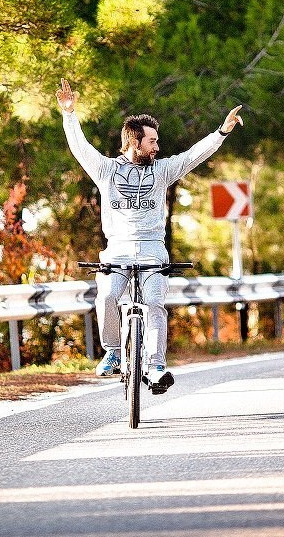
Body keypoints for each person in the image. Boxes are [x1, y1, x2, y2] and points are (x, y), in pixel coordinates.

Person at [56, 78, 243, 394]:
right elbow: (80, 148)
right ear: (134, 142)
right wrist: (69, 114)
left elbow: (192, 156)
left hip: (154, 251)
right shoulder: (106, 170)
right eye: (152, 141)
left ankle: (156, 367)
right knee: (108, 295)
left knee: (155, 303)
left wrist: (220, 133)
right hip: (116, 251)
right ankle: (114, 352)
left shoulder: (163, 170)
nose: (158, 146)